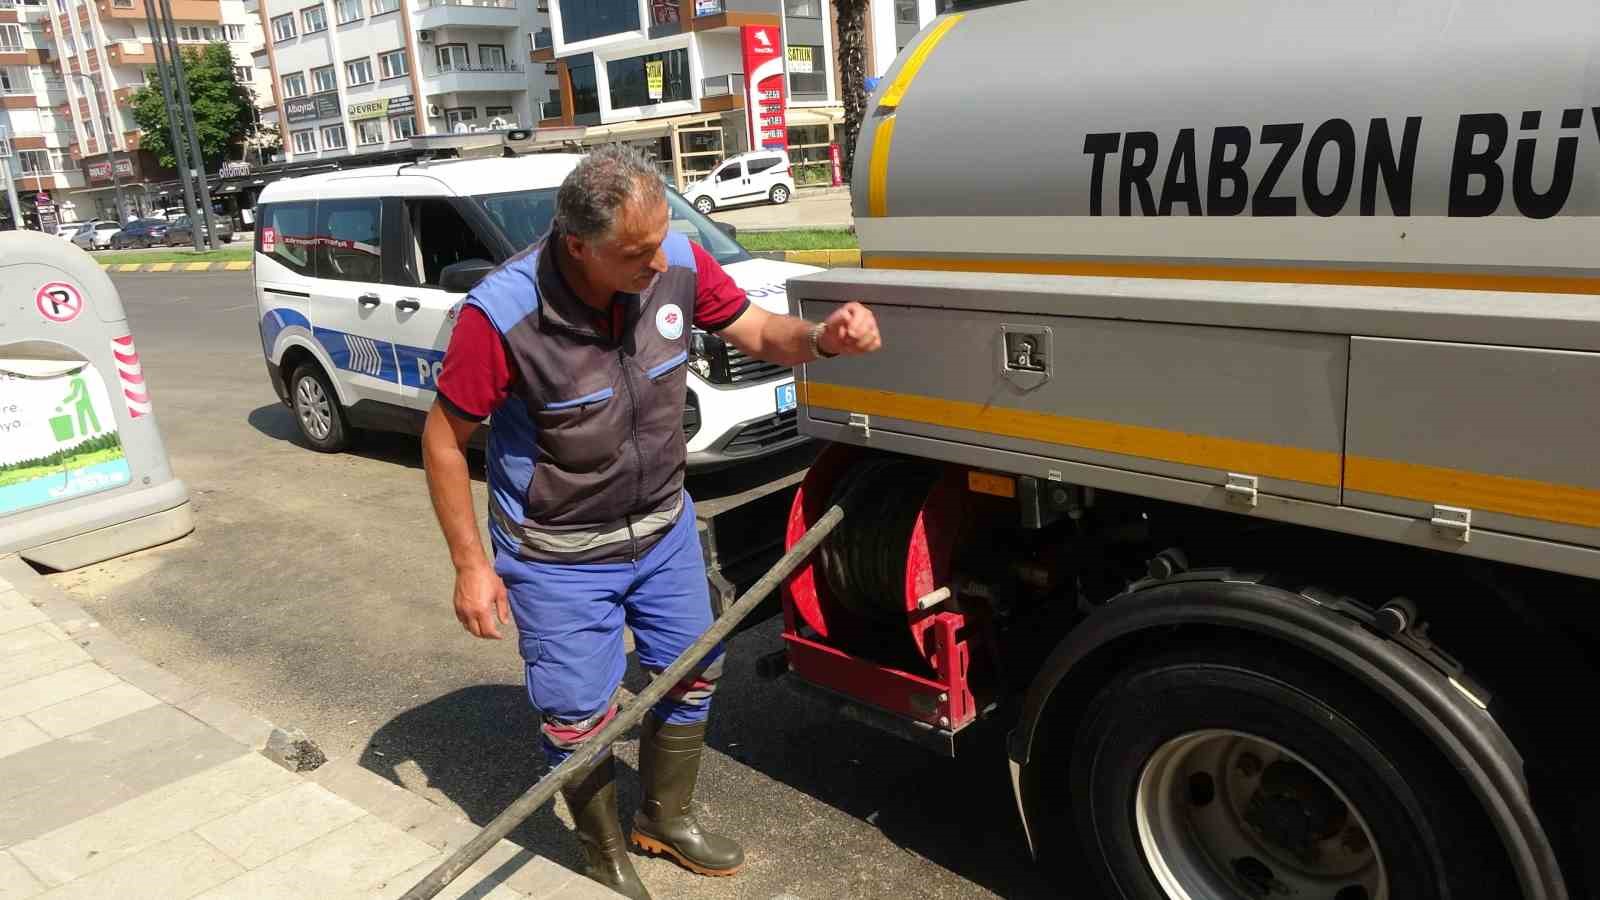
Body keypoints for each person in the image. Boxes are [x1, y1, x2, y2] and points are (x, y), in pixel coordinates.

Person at [421, 144, 882, 899]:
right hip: (558, 553)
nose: (657, 261)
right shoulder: (501, 317)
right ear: (578, 246)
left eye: (662, 238)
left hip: (663, 529)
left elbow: (761, 331)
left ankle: (665, 819)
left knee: (693, 668)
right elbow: (443, 441)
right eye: (636, 252)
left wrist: (822, 341)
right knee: (578, 715)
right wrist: (472, 566)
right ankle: (603, 855)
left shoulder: (679, 263)